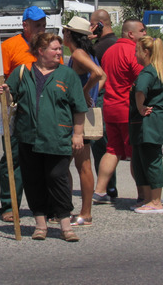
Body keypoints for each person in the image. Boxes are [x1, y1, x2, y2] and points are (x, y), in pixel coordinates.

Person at [0, 33, 87, 241]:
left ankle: (65, 225)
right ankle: (40, 225)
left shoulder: (67, 75)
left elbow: (79, 108)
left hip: (58, 137)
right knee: (33, 180)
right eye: (54, 49)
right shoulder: (22, 72)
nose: (58, 53)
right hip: (29, 138)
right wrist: (5, 91)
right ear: (40, 52)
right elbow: (10, 100)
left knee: (57, 178)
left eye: (59, 49)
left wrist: (78, 134)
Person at [0, 5, 47, 222]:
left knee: (44, 159)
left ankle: (44, 205)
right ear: (25, 25)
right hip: (16, 112)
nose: (41, 29)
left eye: (43, 24)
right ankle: (9, 205)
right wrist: (5, 100)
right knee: (13, 159)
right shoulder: (9, 46)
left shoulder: (48, 47)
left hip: (44, 114)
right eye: (37, 25)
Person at [92, 19, 147, 204]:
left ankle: (99, 191)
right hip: (126, 109)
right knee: (135, 153)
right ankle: (142, 195)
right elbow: (142, 79)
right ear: (131, 34)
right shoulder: (132, 52)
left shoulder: (109, 51)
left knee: (112, 150)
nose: (145, 34)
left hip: (109, 106)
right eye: (142, 31)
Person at [61, 16, 105, 226]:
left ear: (71, 35)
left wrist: (83, 92)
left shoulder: (78, 53)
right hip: (81, 114)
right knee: (74, 164)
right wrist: (90, 94)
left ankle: (83, 212)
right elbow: (101, 77)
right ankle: (70, 210)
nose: (62, 34)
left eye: (65, 31)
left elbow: (99, 74)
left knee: (80, 165)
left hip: (77, 117)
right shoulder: (84, 53)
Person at [128, 36, 163, 214]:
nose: (135, 54)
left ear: (146, 52)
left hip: (149, 124)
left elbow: (140, 90)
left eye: (137, 51)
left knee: (151, 161)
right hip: (149, 124)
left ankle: (155, 201)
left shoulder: (148, 72)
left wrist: (140, 107)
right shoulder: (157, 70)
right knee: (140, 161)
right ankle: (147, 198)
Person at [88, 9, 119, 201]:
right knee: (109, 145)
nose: (90, 28)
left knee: (100, 144)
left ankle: (105, 187)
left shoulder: (100, 47)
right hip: (114, 99)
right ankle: (109, 186)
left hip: (101, 98)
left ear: (100, 24)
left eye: (92, 24)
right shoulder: (114, 43)